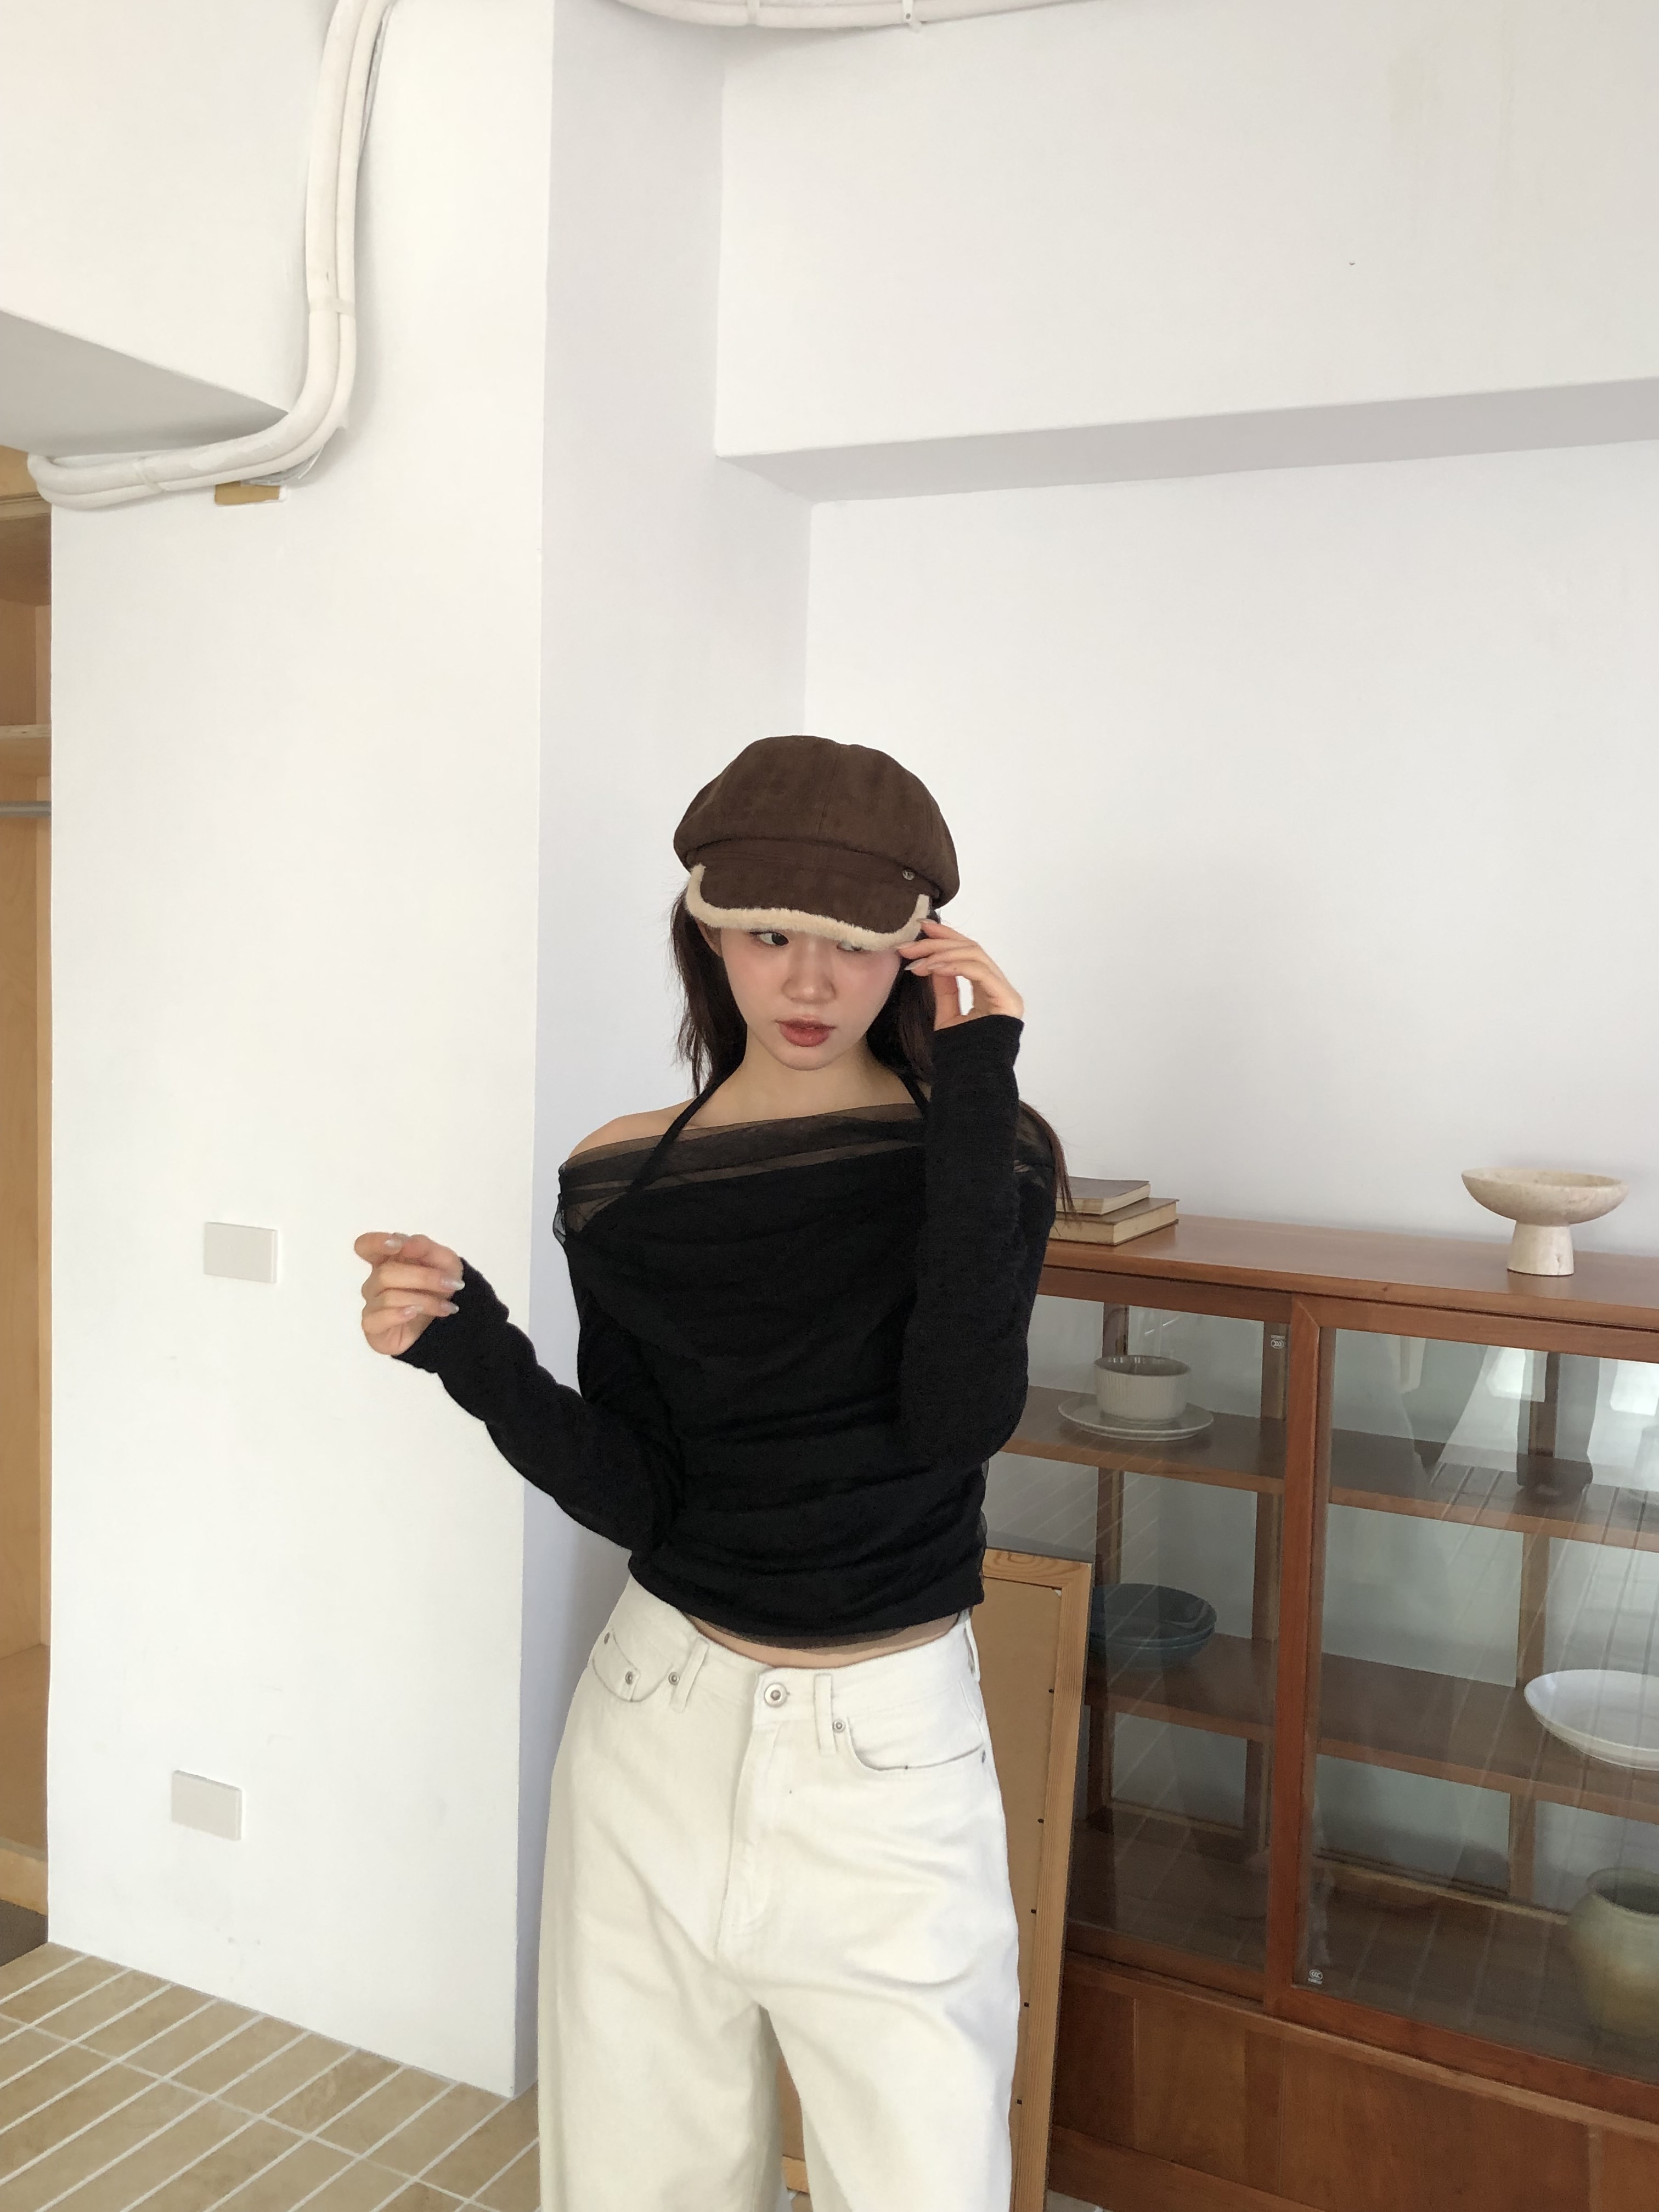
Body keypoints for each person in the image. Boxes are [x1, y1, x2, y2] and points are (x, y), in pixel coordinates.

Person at [355, 734, 1063, 2212]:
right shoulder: (624, 1177)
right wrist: (473, 1346)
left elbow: (957, 1417)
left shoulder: (987, 1153)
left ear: (916, 946)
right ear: (709, 933)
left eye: (852, 942)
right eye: (767, 935)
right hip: (654, 1726)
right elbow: (645, 1496)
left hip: (890, 1763)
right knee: (637, 2187)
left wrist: (981, 1072)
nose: (808, 981)